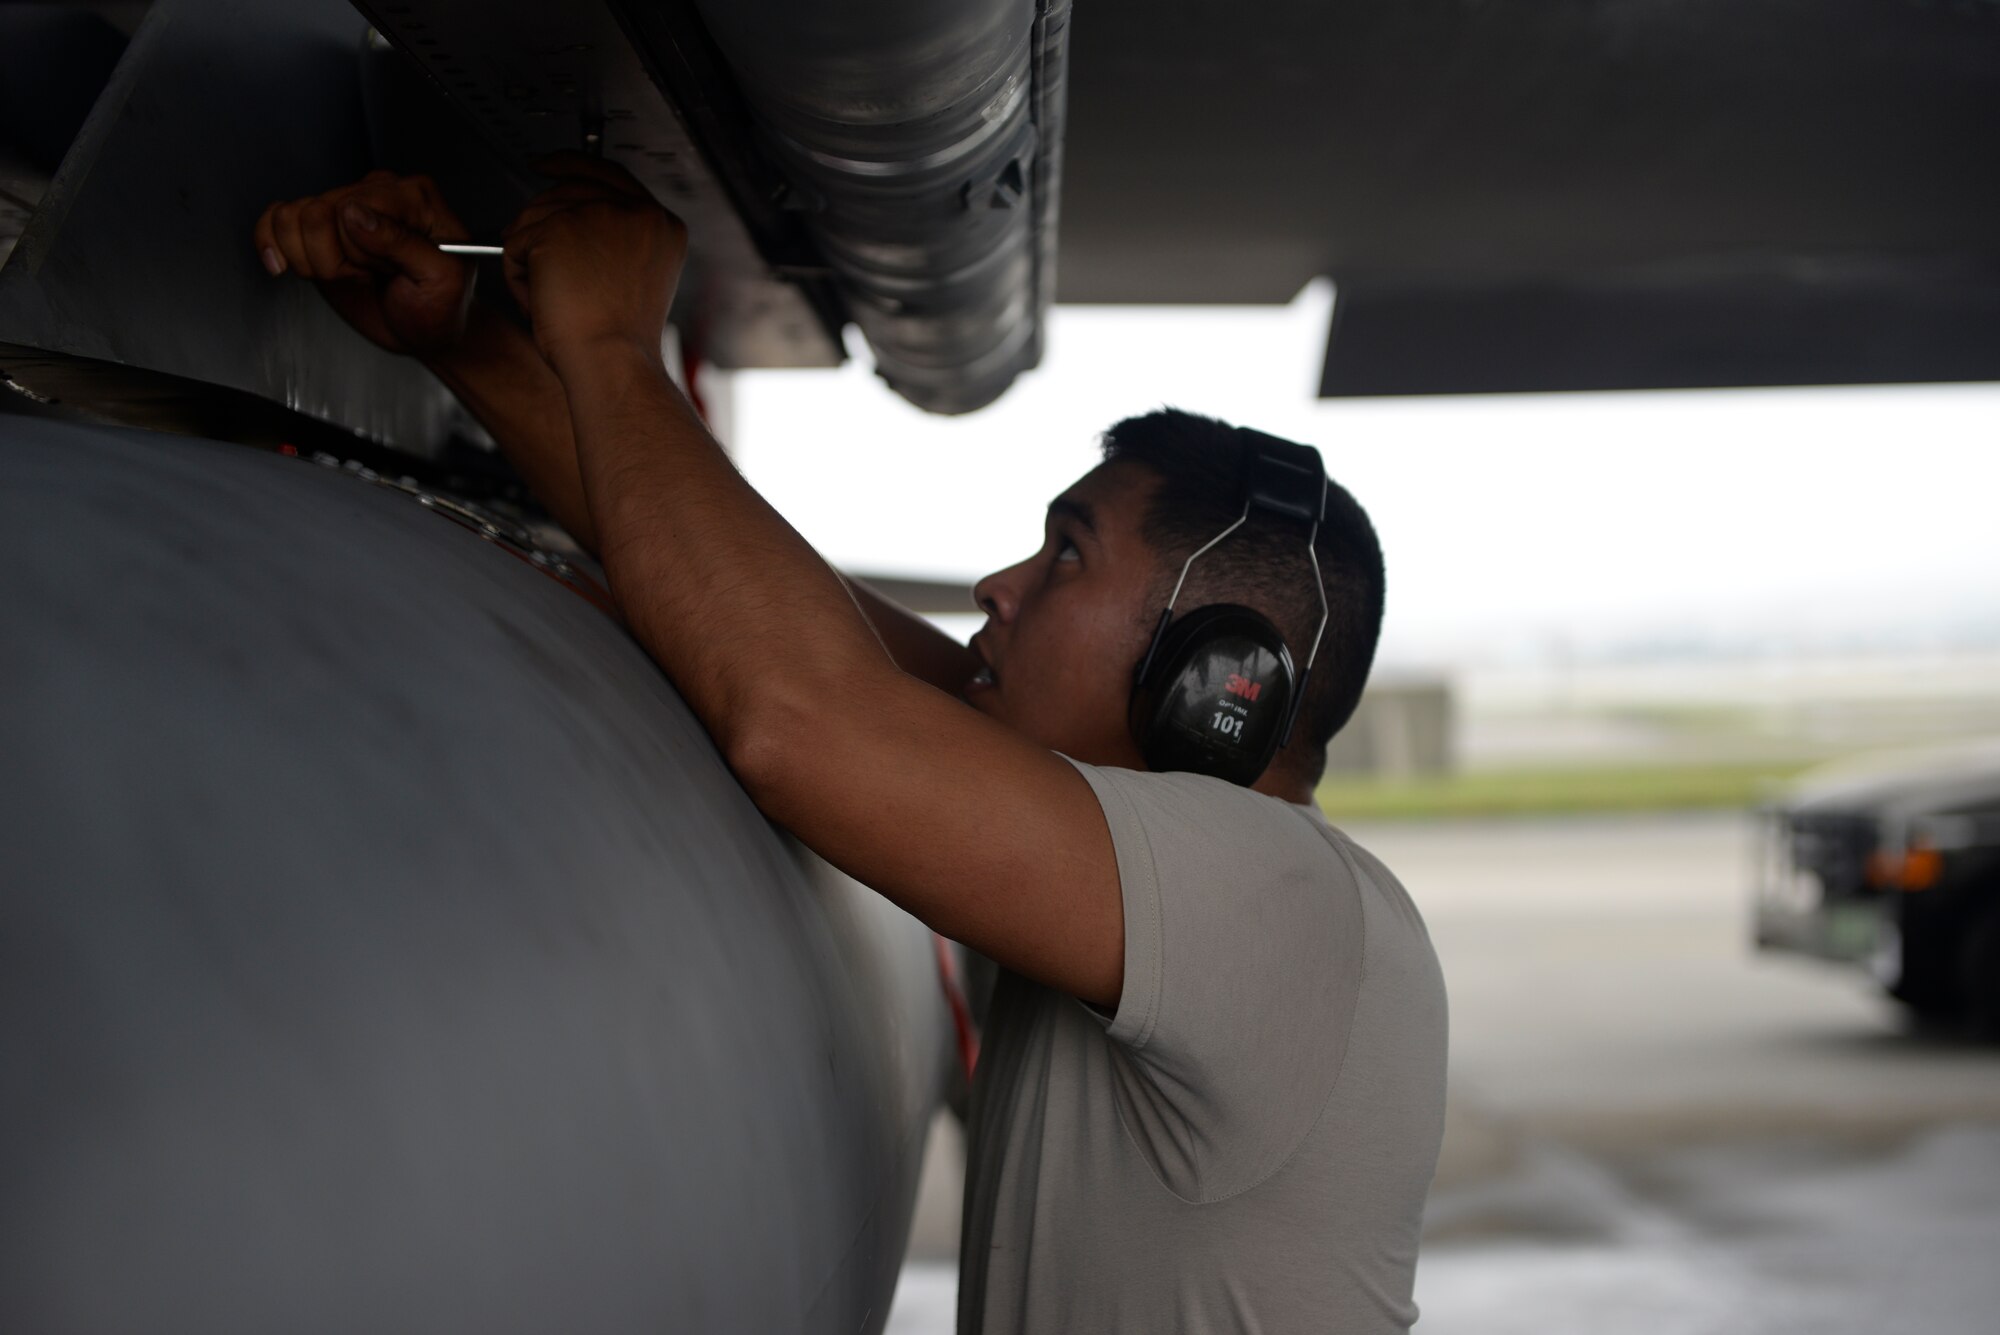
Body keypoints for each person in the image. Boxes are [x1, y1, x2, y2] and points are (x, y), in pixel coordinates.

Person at [254, 160, 1448, 1334]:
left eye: (1066, 554)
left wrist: (616, 346)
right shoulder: (1153, 847)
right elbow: (770, 617)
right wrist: (471, 345)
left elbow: (798, 717)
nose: (999, 584)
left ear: (1210, 679)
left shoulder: (1284, 899)